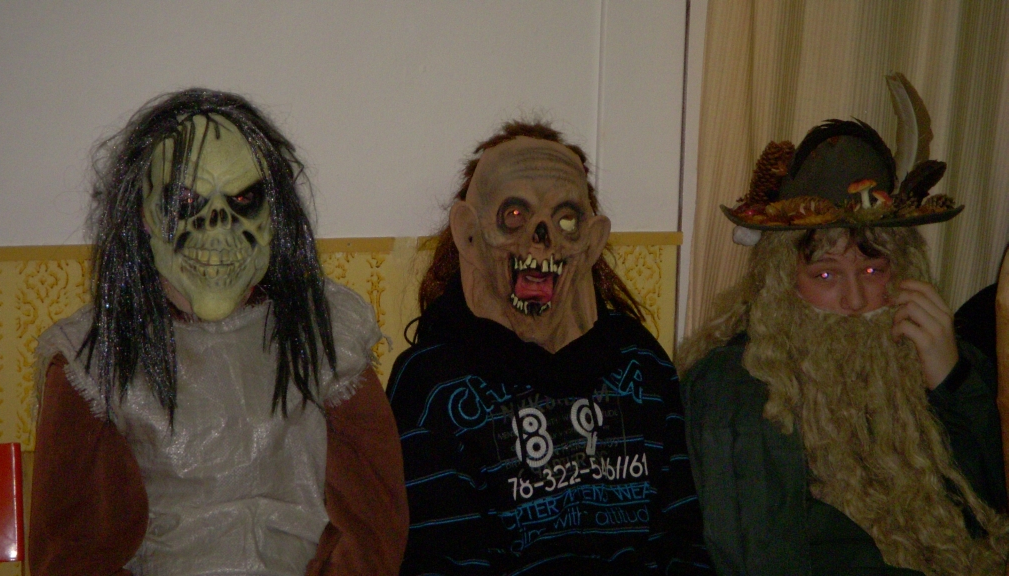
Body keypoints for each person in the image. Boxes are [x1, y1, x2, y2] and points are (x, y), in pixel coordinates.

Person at [29, 88, 408, 575]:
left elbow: (372, 531)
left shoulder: (326, 336)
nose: (217, 227)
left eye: (245, 199)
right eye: (183, 202)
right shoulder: (94, 361)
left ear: (274, 216)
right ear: (142, 217)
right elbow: (73, 555)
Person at [678, 76, 1009, 575]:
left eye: (873, 271)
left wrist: (952, 382)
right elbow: (772, 553)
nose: (855, 300)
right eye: (826, 274)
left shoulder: (931, 358)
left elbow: (989, 509)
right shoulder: (740, 388)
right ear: (782, 281)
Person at [387, 121, 711, 574]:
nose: (541, 237)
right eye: (514, 214)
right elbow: (441, 558)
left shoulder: (642, 365)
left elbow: (683, 539)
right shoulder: (432, 386)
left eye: (566, 219)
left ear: (591, 241)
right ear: (470, 234)